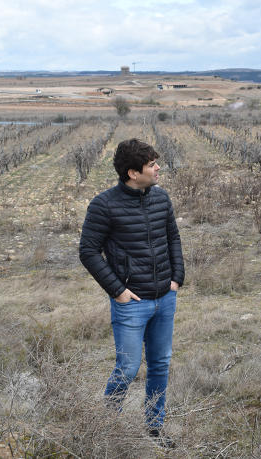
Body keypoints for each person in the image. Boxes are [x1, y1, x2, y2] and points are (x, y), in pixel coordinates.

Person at [79, 139, 184, 447]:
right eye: (152, 165)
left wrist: (177, 279)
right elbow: (88, 251)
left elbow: (173, 239)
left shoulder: (161, 198)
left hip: (165, 298)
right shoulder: (104, 205)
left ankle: (155, 428)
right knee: (126, 368)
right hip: (131, 303)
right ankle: (106, 428)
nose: (158, 168)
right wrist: (118, 291)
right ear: (132, 173)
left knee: (160, 364)